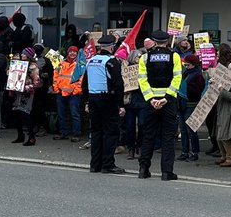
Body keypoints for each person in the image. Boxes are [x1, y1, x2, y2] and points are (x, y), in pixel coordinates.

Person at [137, 29, 182, 180]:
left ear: (154, 42)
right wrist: (166, 98)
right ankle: (166, 172)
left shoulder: (144, 58)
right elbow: (177, 79)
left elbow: (142, 80)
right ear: (167, 42)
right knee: (168, 137)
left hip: (151, 102)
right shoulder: (174, 56)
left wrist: (151, 99)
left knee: (148, 136)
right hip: (168, 102)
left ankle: (143, 170)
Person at [85, 33, 126, 173]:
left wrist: (86, 101)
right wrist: (121, 105)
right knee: (110, 133)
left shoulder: (91, 61)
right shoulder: (111, 62)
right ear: (111, 47)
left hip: (93, 99)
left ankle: (94, 164)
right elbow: (118, 84)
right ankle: (107, 164)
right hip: (108, 100)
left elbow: (84, 83)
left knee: (96, 133)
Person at [9, 47, 42, 145]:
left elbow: (37, 83)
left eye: (24, 54)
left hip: (27, 94)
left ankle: (31, 137)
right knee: (16, 114)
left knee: (26, 115)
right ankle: (20, 135)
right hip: (17, 93)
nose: (22, 55)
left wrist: (27, 87)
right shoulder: (18, 65)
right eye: (22, 54)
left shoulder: (33, 68)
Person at [52, 46, 84, 142]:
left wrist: (76, 90)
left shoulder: (80, 63)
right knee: (61, 114)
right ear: (68, 52)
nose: (72, 53)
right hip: (61, 92)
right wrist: (56, 88)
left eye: (75, 52)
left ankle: (77, 134)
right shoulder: (60, 62)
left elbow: (81, 78)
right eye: (71, 51)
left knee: (75, 114)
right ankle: (63, 132)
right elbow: (55, 75)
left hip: (73, 93)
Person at [178, 53, 205, 163]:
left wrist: (185, 87)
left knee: (191, 129)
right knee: (183, 130)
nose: (186, 67)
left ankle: (195, 152)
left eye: (188, 65)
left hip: (191, 104)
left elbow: (198, 90)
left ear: (193, 65)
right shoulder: (186, 73)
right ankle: (185, 151)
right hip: (182, 103)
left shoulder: (198, 75)